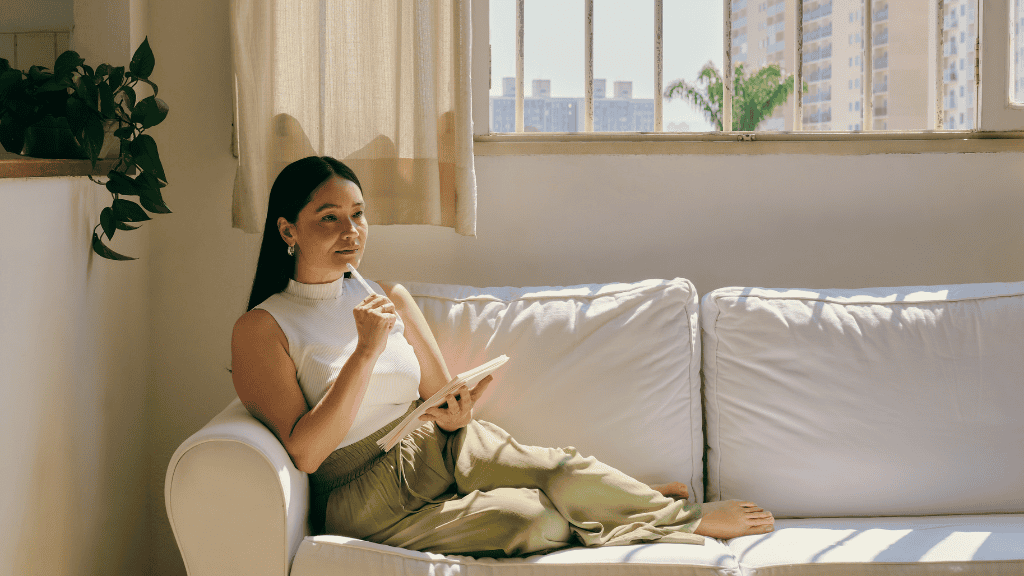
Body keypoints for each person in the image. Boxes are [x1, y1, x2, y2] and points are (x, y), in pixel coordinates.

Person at [231, 156, 774, 558]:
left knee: (559, 465)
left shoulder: (388, 295)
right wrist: (365, 354)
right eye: (329, 217)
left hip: (432, 441)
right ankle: (609, 503)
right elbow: (305, 453)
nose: (351, 231)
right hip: (363, 494)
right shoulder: (262, 327)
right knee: (533, 523)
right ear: (287, 230)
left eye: (358, 214)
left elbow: (443, 399)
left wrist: (456, 408)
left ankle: (678, 518)